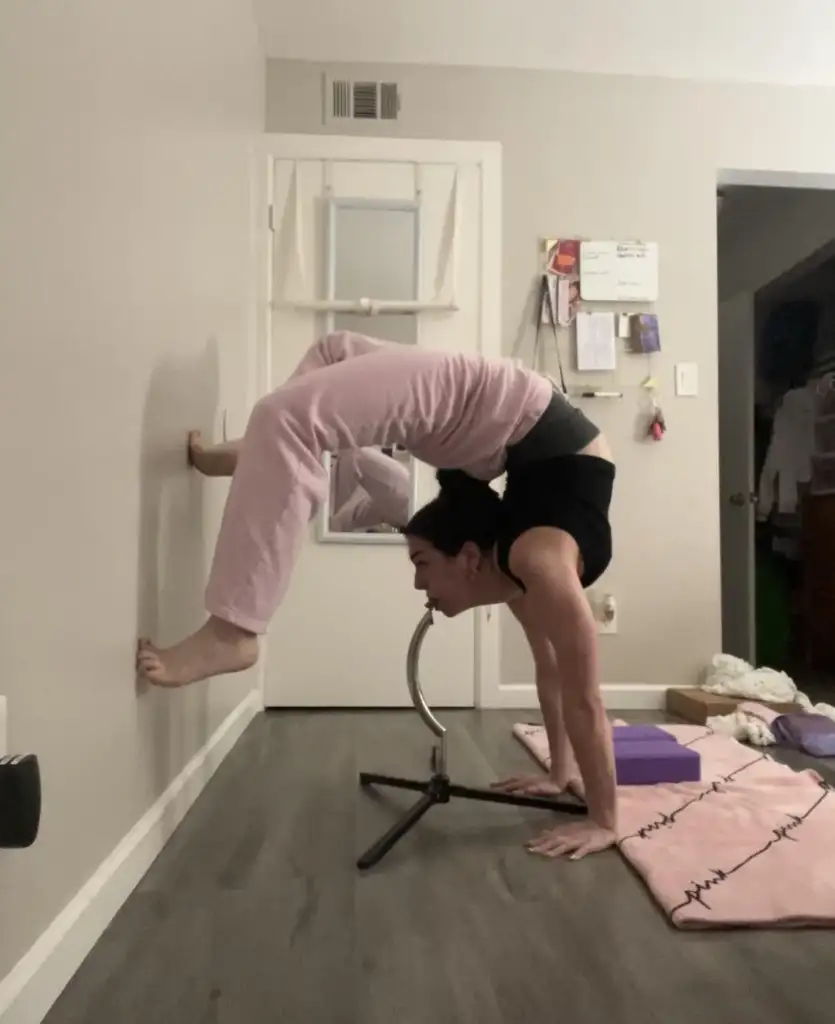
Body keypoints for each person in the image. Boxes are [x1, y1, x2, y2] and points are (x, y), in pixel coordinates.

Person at [137, 330, 617, 859]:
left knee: (316, 377)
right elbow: (584, 695)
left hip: (509, 428)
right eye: (421, 563)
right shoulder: (535, 564)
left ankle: (264, 450)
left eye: (419, 564)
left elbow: (557, 673)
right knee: (302, 396)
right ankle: (235, 626)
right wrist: (596, 810)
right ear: (468, 558)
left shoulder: (523, 568)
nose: (418, 584)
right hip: (505, 414)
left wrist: (568, 784)